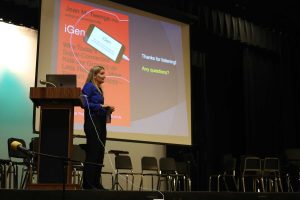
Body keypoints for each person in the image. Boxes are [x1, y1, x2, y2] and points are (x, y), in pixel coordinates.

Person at [81, 65, 115, 190]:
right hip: (92, 123)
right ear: (94, 75)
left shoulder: (99, 88)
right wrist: (100, 107)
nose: (104, 76)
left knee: (100, 153)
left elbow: (98, 106)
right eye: (101, 73)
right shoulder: (89, 86)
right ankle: (88, 184)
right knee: (93, 153)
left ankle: (96, 182)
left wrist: (107, 110)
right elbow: (84, 103)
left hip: (100, 123)